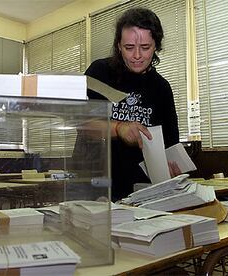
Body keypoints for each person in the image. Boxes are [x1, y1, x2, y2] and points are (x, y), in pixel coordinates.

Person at [85, 7, 180, 201]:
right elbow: (83, 124)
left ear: (156, 46)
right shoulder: (100, 72)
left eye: (145, 47)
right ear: (119, 46)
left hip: (143, 190)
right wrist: (119, 128)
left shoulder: (161, 88)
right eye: (129, 47)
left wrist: (173, 169)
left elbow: (170, 143)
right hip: (98, 186)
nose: (137, 55)